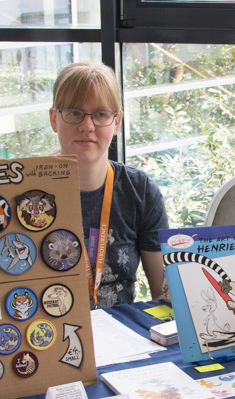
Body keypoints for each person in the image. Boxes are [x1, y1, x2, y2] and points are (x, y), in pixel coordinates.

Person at [50, 61, 169, 308]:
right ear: (54, 119)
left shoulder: (139, 190)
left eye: (101, 115)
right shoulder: (28, 192)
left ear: (116, 123)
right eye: (74, 113)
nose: (87, 126)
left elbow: (163, 293)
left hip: (123, 336)